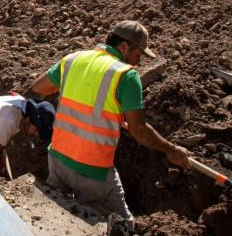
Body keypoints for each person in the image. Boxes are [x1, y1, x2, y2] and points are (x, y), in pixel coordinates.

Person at [30, 20, 191, 229]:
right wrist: (172, 150)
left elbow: (39, 87)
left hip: (58, 159)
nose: (137, 61)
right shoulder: (126, 75)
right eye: (137, 54)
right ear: (124, 47)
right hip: (92, 170)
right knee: (123, 225)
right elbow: (139, 130)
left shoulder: (73, 59)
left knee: (55, 214)